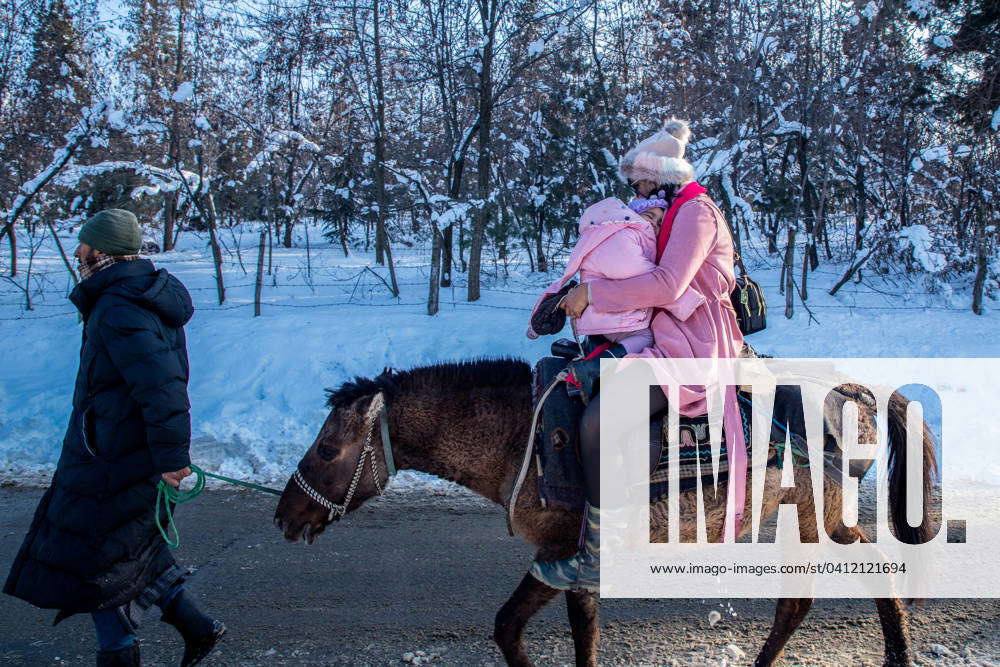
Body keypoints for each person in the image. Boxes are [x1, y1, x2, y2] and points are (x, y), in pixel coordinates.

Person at [529, 119, 747, 593]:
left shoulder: (697, 213)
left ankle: (600, 557)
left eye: (644, 182)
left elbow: (669, 285)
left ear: (665, 178)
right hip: (664, 333)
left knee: (601, 419)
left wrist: (594, 294)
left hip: (696, 342)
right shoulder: (670, 213)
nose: (639, 190)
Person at [3, 209, 225, 666]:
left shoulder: (120, 306)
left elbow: (162, 387)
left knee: (99, 566)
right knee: (130, 550)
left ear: (101, 250)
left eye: (84, 244)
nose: (77, 251)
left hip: (113, 459)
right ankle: (197, 626)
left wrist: (171, 458)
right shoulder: (127, 295)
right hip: (111, 449)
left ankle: (119, 653)